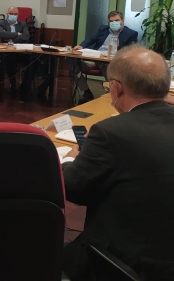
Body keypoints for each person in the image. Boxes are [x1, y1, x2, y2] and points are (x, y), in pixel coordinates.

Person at [62, 46, 174, 280]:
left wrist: (66, 163)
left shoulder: (111, 132)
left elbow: (73, 188)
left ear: (116, 88)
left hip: (125, 263)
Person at [71, 10, 138, 102]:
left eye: (117, 20)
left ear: (122, 20)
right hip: (95, 59)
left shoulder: (131, 33)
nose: (114, 23)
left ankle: (112, 97)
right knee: (74, 67)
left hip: (111, 62)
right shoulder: (102, 29)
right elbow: (91, 39)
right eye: (111, 21)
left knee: (109, 70)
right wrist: (81, 46)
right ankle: (87, 92)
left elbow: (131, 50)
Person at [0, 6, 32, 95]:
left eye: (15, 14)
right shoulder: (1, 23)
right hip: (7, 52)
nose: (13, 15)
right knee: (10, 58)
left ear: (18, 15)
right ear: (7, 14)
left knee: (34, 60)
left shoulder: (23, 24)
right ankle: (13, 83)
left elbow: (26, 37)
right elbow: (2, 34)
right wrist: (18, 34)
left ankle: (25, 85)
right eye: (11, 13)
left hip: (21, 51)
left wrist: (10, 39)